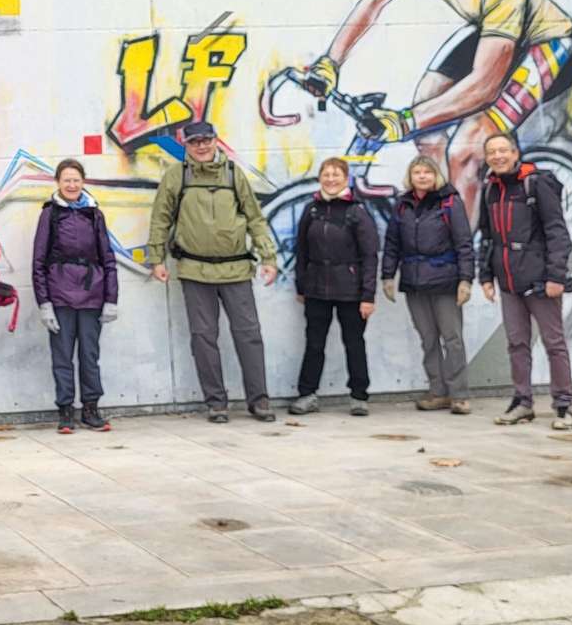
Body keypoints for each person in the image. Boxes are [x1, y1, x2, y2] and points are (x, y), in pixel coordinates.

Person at [300, 0, 572, 214]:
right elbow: (376, 0)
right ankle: (451, 212)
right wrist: (331, 62)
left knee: (466, 148)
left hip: (548, 34)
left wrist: (404, 121)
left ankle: (467, 240)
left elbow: (484, 86)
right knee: (426, 122)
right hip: (499, 24)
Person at [146, 120, 279, 423]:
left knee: (249, 336)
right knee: (203, 338)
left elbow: (255, 218)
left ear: (216, 141)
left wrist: (268, 257)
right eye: (195, 142)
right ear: (186, 145)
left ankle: (259, 400)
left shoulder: (233, 174)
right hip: (195, 271)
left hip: (237, 269)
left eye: (207, 140)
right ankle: (216, 403)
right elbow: (160, 219)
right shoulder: (176, 176)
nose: (202, 146)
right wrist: (156, 259)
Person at [478, 132, 572, 431]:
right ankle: (522, 402)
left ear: (515, 153)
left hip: (540, 281)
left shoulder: (537, 183)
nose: (497, 156)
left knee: (553, 343)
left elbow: (557, 232)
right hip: (509, 282)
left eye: (502, 150)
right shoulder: (489, 188)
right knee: (517, 344)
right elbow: (487, 236)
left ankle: (563, 405)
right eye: (491, 152)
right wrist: (485, 276)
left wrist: (556, 276)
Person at [381, 155, 476, 414]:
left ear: (436, 176)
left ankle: (459, 394)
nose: (422, 176)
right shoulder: (402, 206)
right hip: (414, 283)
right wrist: (388, 275)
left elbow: (464, 243)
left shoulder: (450, 202)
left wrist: (466, 280)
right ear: (410, 177)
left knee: (452, 339)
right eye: (417, 172)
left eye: (427, 172)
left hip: (445, 281)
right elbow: (392, 243)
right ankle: (438, 391)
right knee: (428, 339)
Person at [32, 159, 118, 434]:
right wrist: (44, 303)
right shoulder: (50, 214)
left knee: (90, 355)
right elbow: (38, 261)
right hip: (60, 296)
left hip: (92, 295)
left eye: (76, 180)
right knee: (62, 357)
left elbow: (108, 258)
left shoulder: (95, 214)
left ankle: (91, 408)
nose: (71, 185)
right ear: (58, 182)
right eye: (66, 180)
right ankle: (66, 409)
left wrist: (111, 299)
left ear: (83, 182)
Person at [289, 158, 379, 417]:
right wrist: (301, 286)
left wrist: (368, 295)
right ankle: (307, 394)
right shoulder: (311, 210)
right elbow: (301, 251)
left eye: (336, 175)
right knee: (314, 343)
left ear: (345, 178)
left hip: (350, 291)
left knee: (354, 343)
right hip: (316, 289)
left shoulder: (357, 211)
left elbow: (370, 256)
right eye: (326, 174)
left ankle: (359, 396)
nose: (330, 179)